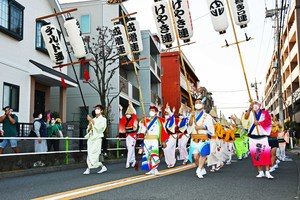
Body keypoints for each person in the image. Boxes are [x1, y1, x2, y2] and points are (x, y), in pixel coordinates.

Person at [243, 100, 273, 179]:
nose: (255, 105)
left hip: (262, 136)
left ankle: (267, 172)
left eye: (256, 103)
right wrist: (249, 109)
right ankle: (260, 172)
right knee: (256, 155)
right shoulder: (250, 113)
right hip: (253, 137)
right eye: (254, 104)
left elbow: (268, 122)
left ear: (260, 105)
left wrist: (259, 123)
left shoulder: (265, 113)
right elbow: (245, 118)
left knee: (266, 154)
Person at [188, 98, 215, 179]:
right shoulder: (192, 114)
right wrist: (191, 117)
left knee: (203, 154)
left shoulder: (207, 116)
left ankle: (199, 169)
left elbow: (210, 127)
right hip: (194, 139)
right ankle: (202, 168)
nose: (198, 104)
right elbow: (189, 125)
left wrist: (200, 127)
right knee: (195, 157)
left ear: (203, 105)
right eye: (196, 102)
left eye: (199, 102)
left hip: (203, 139)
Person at [139, 105, 168, 175]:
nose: (151, 112)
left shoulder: (159, 120)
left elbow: (162, 131)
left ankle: (155, 169)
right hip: (147, 140)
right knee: (147, 154)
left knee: (154, 153)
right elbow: (141, 128)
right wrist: (143, 120)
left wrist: (163, 141)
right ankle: (151, 169)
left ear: (156, 112)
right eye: (150, 110)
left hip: (154, 139)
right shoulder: (146, 120)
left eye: (153, 111)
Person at [83, 105, 107, 175]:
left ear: (101, 111)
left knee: (94, 154)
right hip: (91, 139)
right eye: (96, 109)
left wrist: (91, 121)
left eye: (98, 109)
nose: (97, 110)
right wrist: (89, 127)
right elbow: (88, 129)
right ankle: (90, 168)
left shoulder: (103, 119)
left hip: (97, 138)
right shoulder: (94, 119)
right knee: (89, 153)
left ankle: (98, 167)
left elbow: (100, 129)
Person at [119, 101, 138, 169]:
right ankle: (133, 160)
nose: (127, 115)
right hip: (128, 136)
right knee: (130, 148)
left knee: (130, 148)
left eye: (128, 114)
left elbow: (135, 113)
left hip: (133, 136)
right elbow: (121, 118)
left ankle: (127, 162)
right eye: (126, 114)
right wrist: (121, 110)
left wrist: (131, 106)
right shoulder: (125, 120)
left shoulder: (133, 118)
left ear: (131, 114)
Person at [162, 103, 177, 168]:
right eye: (165, 114)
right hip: (166, 137)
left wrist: (168, 109)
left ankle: (172, 162)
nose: (166, 115)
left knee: (169, 149)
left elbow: (172, 115)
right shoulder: (164, 121)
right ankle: (168, 162)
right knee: (166, 149)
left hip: (172, 136)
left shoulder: (172, 119)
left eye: (167, 114)